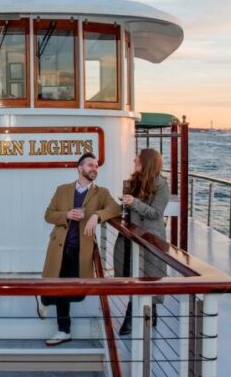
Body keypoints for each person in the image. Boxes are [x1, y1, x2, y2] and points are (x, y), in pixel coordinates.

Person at [38, 152, 121, 346]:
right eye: (90, 165)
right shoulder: (63, 190)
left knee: (78, 292)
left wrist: (96, 216)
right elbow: (48, 215)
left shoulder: (101, 193)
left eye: (97, 166)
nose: (94, 169)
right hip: (59, 248)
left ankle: (45, 300)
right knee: (61, 287)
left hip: (81, 251)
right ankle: (63, 330)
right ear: (80, 168)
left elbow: (115, 209)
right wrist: (66, 214)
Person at [114, 148, 169, 336]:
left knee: (148, 275)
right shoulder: (132, 182)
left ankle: (130, 319)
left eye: (138, 157)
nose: (135, 159)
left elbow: (155, 213)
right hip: (131, 236)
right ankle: (151, 313)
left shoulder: (162, 185)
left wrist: (134, 203)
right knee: (131, 273)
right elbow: (127, 210)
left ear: (148, 162)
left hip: (150, 238)